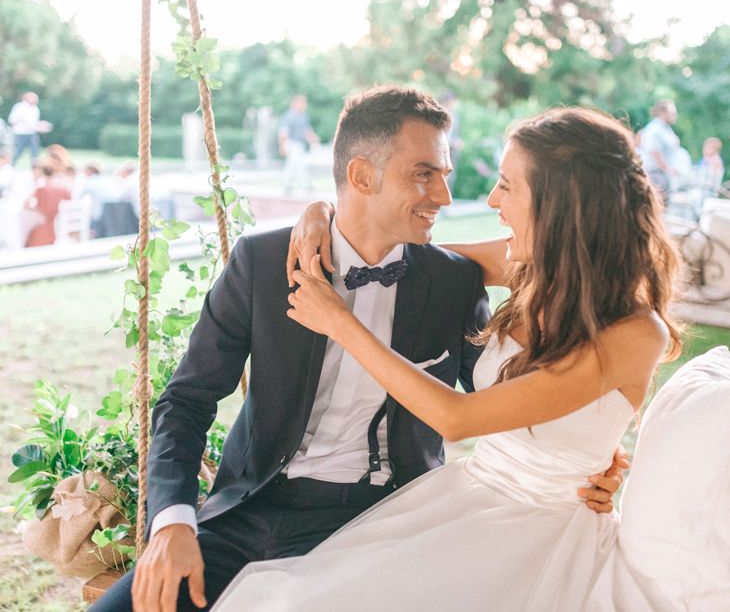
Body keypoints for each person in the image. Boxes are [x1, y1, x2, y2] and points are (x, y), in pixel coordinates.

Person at [91, 88, 620, 612]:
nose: (444, 197)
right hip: (248, 508)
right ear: (363, 176)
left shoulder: (453, 283)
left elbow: (501, 395)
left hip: (381, 521)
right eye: (424, 174)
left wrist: (585, 457)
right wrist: (173, 523)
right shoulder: (261, 263)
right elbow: (186, 401)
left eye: (445, 175)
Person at [212, 107, 681, 611]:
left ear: (561, 202)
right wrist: (325, 212)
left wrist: (340, 323)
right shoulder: (531, 265)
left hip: (538, 536)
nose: (491, 199)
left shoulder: (635, 334)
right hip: (464, 500)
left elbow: (456, 419)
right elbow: (386, 253)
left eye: (507, 185)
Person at [278, 94, 319, 193]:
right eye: (302, 103)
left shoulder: (303, 116)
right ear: (296, 103)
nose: (305, 105)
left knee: (293, 165)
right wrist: (282, 146)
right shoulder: (290, 116)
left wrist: (313, 139)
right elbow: (283, 132)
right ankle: (305, 185)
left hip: (299, 144)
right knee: (298, 164)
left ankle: (287, 185)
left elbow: (306, 131)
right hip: (291, 144)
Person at [24, 162, 72, 247]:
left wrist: (36, 210)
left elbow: (26, 204)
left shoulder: (41, 190)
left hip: (44, 229)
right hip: (59, 227)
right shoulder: (64, 189)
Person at [8, 92, 41, 166]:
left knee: (35, 152)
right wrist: (24, 122)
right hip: (20, 133)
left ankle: (35, 167)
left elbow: (34, 122)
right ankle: (10, 166)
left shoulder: (35, 109)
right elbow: (12, 120)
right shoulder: (19, 107)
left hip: (32, 133)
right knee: (18, 151)